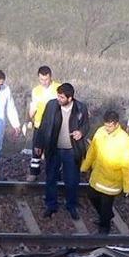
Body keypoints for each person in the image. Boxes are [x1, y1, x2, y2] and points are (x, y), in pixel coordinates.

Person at [34, 83, 90, 220]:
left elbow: (86, 125)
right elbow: (43, 125)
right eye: (58, 96)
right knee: (51, 177)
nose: (58, 99)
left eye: (62, 97)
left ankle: (71, 205)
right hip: (54, 148)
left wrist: (81, 132)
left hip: (72, 150)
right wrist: (39, 144)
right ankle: (51, 205)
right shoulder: (52, 105)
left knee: (72, 180)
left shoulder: (80, 108)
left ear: (70, 98)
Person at [81, 111, 129, 234]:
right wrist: (85, 166)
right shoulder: (100, 132)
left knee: (106, 205)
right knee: (91, 195)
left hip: (112, 180)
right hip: (98, 175)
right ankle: (107, 216)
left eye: (110, 126)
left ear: (116, 124)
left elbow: (127, 164)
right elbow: (92, 151)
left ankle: (104, 228)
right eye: (106, 125)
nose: (107, 128)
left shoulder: (124, 140)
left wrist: (127, 187)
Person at [27, 66, 61, 181]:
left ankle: (53, 173)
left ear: (50, 77)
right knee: (36, 149)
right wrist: (29, 119)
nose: (44, 82)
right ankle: (34, 172)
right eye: (41, 79)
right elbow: (33, 106)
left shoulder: (58, 88)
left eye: (46, 79)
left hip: (54, 126)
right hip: (39, 124)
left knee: (53, 151)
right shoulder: (36, 90)